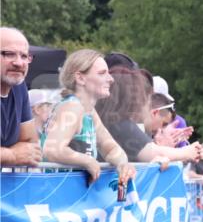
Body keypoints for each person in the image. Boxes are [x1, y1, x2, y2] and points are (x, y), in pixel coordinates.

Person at [39, 49, 135, 186]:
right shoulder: (73, 106)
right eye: (102, 73)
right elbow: (53, 150)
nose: (111, 79)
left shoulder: (88, 111)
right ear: (80, 78)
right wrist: (88, 161)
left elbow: (111, 148)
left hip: (71, 195)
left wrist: (122, 165)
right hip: (58, 195)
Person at [95, 67, 203, 165]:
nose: (146, 104)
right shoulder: (122, 125)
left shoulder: (105, 120)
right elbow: (152, 153)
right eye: (146, 99)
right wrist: (189, 151)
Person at [0, 27, 42, 166]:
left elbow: (30, 145)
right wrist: (11, 155)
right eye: (9, 54)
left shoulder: (19, 86)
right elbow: (20, 153)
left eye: (24, 56)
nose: (19, 63)